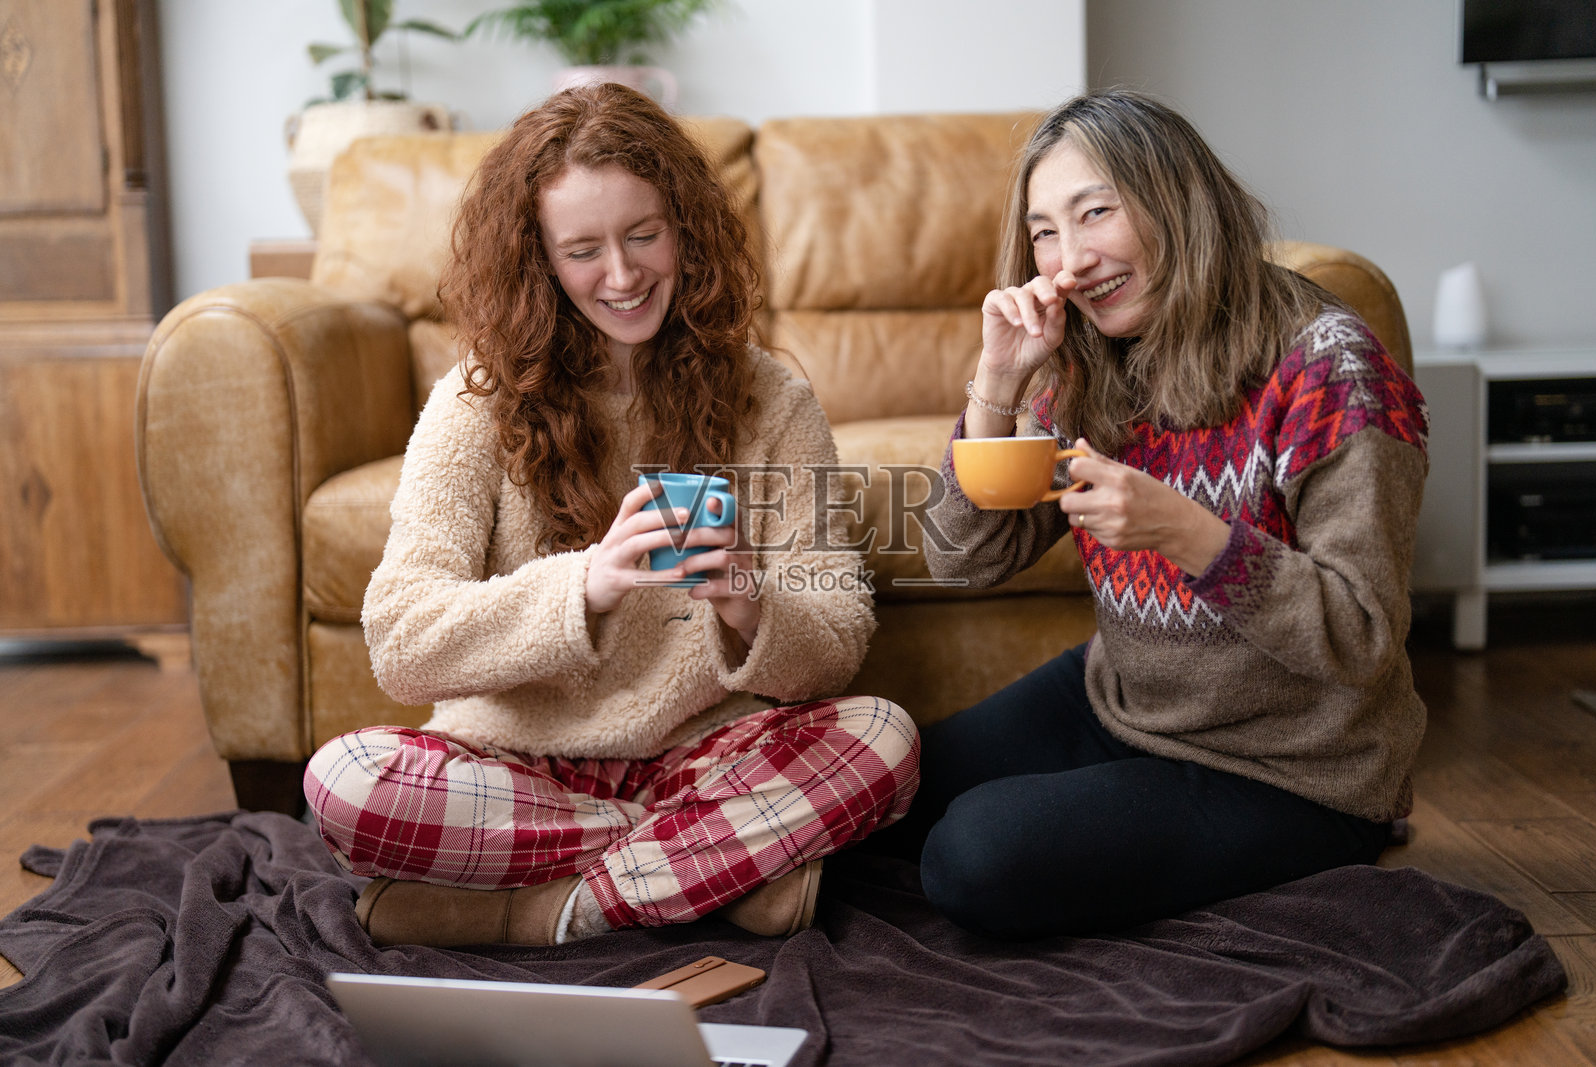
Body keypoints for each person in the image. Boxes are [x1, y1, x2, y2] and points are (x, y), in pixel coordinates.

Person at [302, 84, 918, 948]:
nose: (623, 277)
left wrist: (747, 597)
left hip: (706, 757)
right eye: (583, 249)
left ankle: (538, 911)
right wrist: (583, 585)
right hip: (516, 765)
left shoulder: (771, 398)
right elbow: (400, 641)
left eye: (643, 235)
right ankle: (711, 874)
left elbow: (839, 636)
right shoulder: (473, 403)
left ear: (685, 229)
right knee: (346, 780)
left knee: (883, 741)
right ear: (540, 262)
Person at [903, 89, 1428, 938]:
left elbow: (1363, 637)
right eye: (1044, 231)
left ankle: (1312, 851)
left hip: (1291, 769)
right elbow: (963, 558)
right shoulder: (1093, 359)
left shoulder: (1330, 369)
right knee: (886, 789)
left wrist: (1181, 531)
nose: (1068, 259)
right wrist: (997, 387)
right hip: (1122, 703)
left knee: (972, 858)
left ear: (1175, 201)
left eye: (1095, 213)